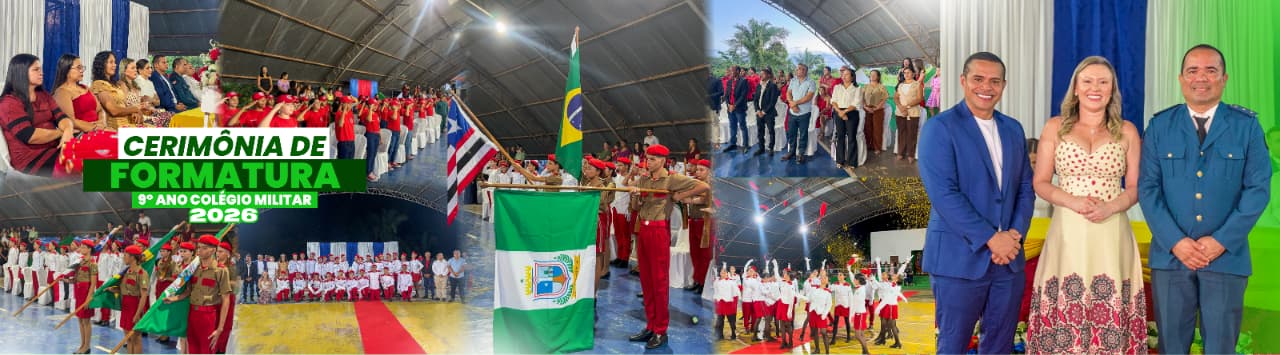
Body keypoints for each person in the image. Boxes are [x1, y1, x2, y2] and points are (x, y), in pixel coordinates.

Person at [1139, 44, 1271, 354]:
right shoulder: (1160, 126)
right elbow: (1147, 188)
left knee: (1221, 347)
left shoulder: (1246, 126)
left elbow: (1258, 190)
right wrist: (1176, 242)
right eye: (1193, 71)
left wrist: (1220, 241)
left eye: (1211, 70)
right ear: (1181, 79)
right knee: (1171, 346)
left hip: (1226, 257)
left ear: (1224, 78)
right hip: (1172, 257)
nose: (1202, 78)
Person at [1025, 56, 1147, 353]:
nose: (1095, 87)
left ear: (1112, 89)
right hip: (1067, 230)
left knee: (1110, 304)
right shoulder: (1054, 128)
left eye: (1103, 82)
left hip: (1111, 230)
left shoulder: (1128, 131)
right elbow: (1040, 182)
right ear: (1076, 89)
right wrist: (1073, 201)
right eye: (1088, 81)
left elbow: (1135, 187)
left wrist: (1110, 207)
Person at [918, 52, 1035, 354]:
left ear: (1004, 85)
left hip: (1007, 262)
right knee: (953, 345)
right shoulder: (940, 128)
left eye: (995, 81)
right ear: (963, 82)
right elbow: (944, 194)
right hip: (958, 260)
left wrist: (1013, 236)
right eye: (978, 79)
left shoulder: (1013, 129)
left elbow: (1025, 188)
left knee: (999, 346)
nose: (987, 87)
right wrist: (991, 239)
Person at [626, 143, 711, 349]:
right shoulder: (645, 178)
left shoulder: (672, 178)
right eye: (647, 158)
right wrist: (635, 194)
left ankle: (661, 330)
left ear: (663, 160)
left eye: (653, 159)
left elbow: (704, 187)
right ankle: (650, 325)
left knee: (659, 282)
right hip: (644, 231)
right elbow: (637, 206)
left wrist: (679, 196)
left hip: (658, 231)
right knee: (646, 281)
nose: (648, 162)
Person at [1, 54, 72, 176]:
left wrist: (68, 130)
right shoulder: (9, 102)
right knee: (87, 164)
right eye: (36, 69)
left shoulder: (43, 95)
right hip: (31, 159)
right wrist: (62, 133)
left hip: (54, 148)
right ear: (21, 72)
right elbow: (29, 136)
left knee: (102, 153)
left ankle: (112, 190)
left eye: (41, 69)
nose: (41, 73)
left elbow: (63, 118)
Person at [51, 54, 106, 133]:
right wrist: (94, 127)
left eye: (82, 68)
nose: (81, 70)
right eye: (78, 68)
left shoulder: (85, 87)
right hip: (81, 134)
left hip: (98, 130)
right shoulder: (61, 92)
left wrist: (102, 122)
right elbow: (70, 121)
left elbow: (100, 110)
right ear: (66, 70)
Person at [684, 159, 713, 293]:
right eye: (698, 169)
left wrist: (689, 199)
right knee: (694, 252)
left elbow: (704, 199)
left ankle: (702, 282)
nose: (698, 172)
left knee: (704, 254)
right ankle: (697, 280)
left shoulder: (710, 184)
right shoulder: (695, 183)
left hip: (704, 221)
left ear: (709, 171)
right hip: (694, 220)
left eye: (702, 170)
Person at [117, 245, 149, 354]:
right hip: (125, 305)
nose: (123, 257)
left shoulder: (142, 273)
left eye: (125, 255)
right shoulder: (126, 272)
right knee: (128, 338)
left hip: (135, 306)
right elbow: (123, 289)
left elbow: (143, 296)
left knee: (136, 338)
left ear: (132, 257)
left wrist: (137, 314)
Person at [783, 63, 816, 164]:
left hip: (804, 113)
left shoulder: (811, 82)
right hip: (793, 112)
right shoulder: (793, 81)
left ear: (805, 71)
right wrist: (792, 104)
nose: (798, 70)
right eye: (797, 69)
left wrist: (794, 103)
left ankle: (801, 154)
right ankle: (791, 152)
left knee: (803, 134)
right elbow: (788, 93)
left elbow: (809, 96)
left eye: (800, 69)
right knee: (791, 133)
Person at [831, 66, 863, 169]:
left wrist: (844, 112)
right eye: (842, 75)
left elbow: (856, 103)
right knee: (840, 136)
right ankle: (840, 160)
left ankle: (852, 162)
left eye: (846, 75)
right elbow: (834, 101)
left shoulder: (857, 88)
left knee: (851, 137)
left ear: (852, 77)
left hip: (851, 113)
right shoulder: (837, 87)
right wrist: (840, 112)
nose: (843, 76)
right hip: (838, 112)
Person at [894, 66, 924, 163]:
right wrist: (900, 107)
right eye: (904, 73)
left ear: (913, 74)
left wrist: (907, 107)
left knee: (912, 133)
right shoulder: (900, 85)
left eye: (908, 72)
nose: (906, 74)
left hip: (913, 113)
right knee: (901, 132)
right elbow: (896, 98)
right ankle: (900, 152)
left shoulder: (917, 84)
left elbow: (919, 98)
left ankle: (911, 154)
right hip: (900, 112)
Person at [754, 68, 781, 156]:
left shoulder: (772, 86)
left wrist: (764, 112)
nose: (760, 75)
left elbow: (772, 101)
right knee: (760, 131)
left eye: (763, 74)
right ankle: (761, 148)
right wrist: (758, 110)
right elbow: (755, 100)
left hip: (768, 113)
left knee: (771, 131)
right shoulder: (759, 85)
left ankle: (771, 148)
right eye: (760, 74)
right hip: (759, 113)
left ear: (768, 75)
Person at [861, 70, 888, 154]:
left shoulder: (881, 87)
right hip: (867, 109)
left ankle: (877, 147)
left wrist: (876, 108)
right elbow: (861, 98)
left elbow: (884, 99)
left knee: (877, 129)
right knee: (867, 128)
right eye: (871, 74)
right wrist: (865, 106)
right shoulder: (865, 86)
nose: (872, 76)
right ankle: (869, 145)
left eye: (874, 75)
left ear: (878, 77)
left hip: (878, 110)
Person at [724, 66, 749, 153]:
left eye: (732, 70)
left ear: (738, 71)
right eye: (730, 70)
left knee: (742, 126)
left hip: (739, 108)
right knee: (732, 126)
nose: (731, 72)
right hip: (730, 108)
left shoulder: (744, 81)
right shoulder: (729, 81)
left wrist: (734, 105)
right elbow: (726, 94)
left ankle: (746, 145)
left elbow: (743, 96)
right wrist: (728, 105)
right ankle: (733, 144)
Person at [713, 267, 740, 340]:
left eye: (725, 272)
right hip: (720, 303)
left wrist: (734, 303)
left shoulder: (732, 282)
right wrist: (716, 301)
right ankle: (720, 335)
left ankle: (733, 334)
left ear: (727, 274)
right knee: (719, 321)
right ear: (720, 274)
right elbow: (716, 291)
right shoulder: (716, 282)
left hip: (729, 304)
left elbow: (736, 292)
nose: (723, 274)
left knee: (731, 321)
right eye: (722, 272)